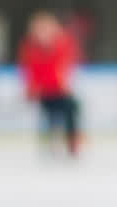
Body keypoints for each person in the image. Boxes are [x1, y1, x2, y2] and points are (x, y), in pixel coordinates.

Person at [17, 11, 82, 158]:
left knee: (71, 112)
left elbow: (66, 64)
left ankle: (72, 145)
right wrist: (30, 88)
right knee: (49, 116)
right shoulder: (30, 47)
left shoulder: (62, 43)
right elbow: (29, 69)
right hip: (44, 91)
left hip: (61, 90)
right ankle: (49, 144)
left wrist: (63, 79)